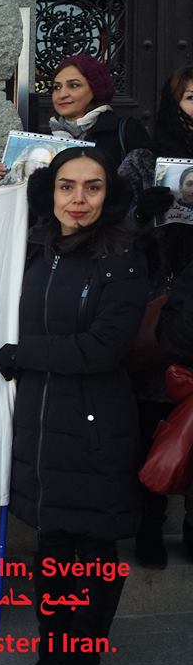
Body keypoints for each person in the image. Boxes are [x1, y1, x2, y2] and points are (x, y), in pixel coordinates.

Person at [0, 147, 146, 665]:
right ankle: (53, 654)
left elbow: (105, 347)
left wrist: (24, 355)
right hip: (41, 427)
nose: (78, 199)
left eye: (92, 187)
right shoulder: (35, 251)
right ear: (50, 193)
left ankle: (84, 660)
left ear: (109, 195)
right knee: (54, 549)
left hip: (94, 427)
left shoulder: (123, 258)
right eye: (67, 186)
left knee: (95, 550)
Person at [118, 66, 193, 568]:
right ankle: (149, 523)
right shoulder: (145, 160)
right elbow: (115, 225)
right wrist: (143, 212)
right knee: (152, 417)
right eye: (190, 97)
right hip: (161, 306)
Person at [49, 54, 151, 168]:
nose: (62, 94)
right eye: (57, 87)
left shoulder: (128, 131)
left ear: (95, 89)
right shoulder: (44, 136)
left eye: (74, 85)